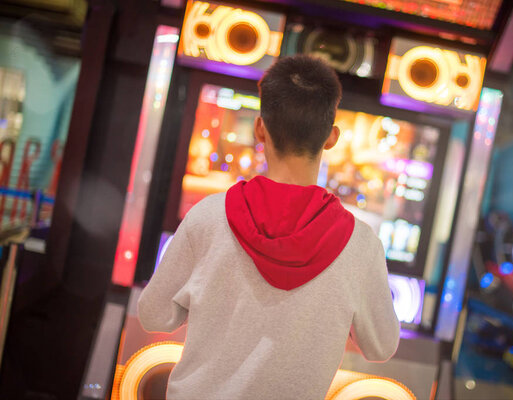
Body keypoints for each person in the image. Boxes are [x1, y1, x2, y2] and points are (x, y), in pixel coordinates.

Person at [138, 55, 400, 400]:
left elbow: (153, 314)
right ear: (331, 138)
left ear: (260, 128)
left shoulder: (209, 216)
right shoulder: (361, 245)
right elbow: (381, 346)